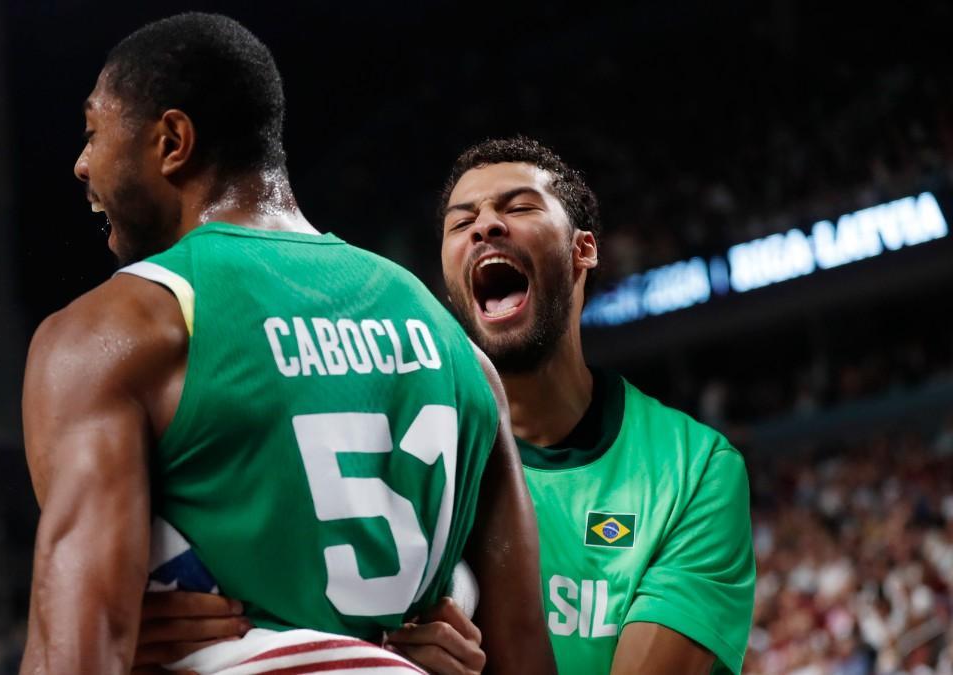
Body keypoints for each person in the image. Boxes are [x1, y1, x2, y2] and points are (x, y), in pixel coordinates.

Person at [18, 14, 553, 675]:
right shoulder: (458, 349)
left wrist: (125, 644)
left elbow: (73, 655)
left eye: (94, 132)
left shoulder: (115, 332)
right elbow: (526, 650)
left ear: (173, 141)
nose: (80, 163)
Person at [138, 137, 756, 674]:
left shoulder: (694, 469)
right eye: (462, 223)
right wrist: (165, 642)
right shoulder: (378, 452)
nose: (486, 225)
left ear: (583, 249)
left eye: (519, 207)